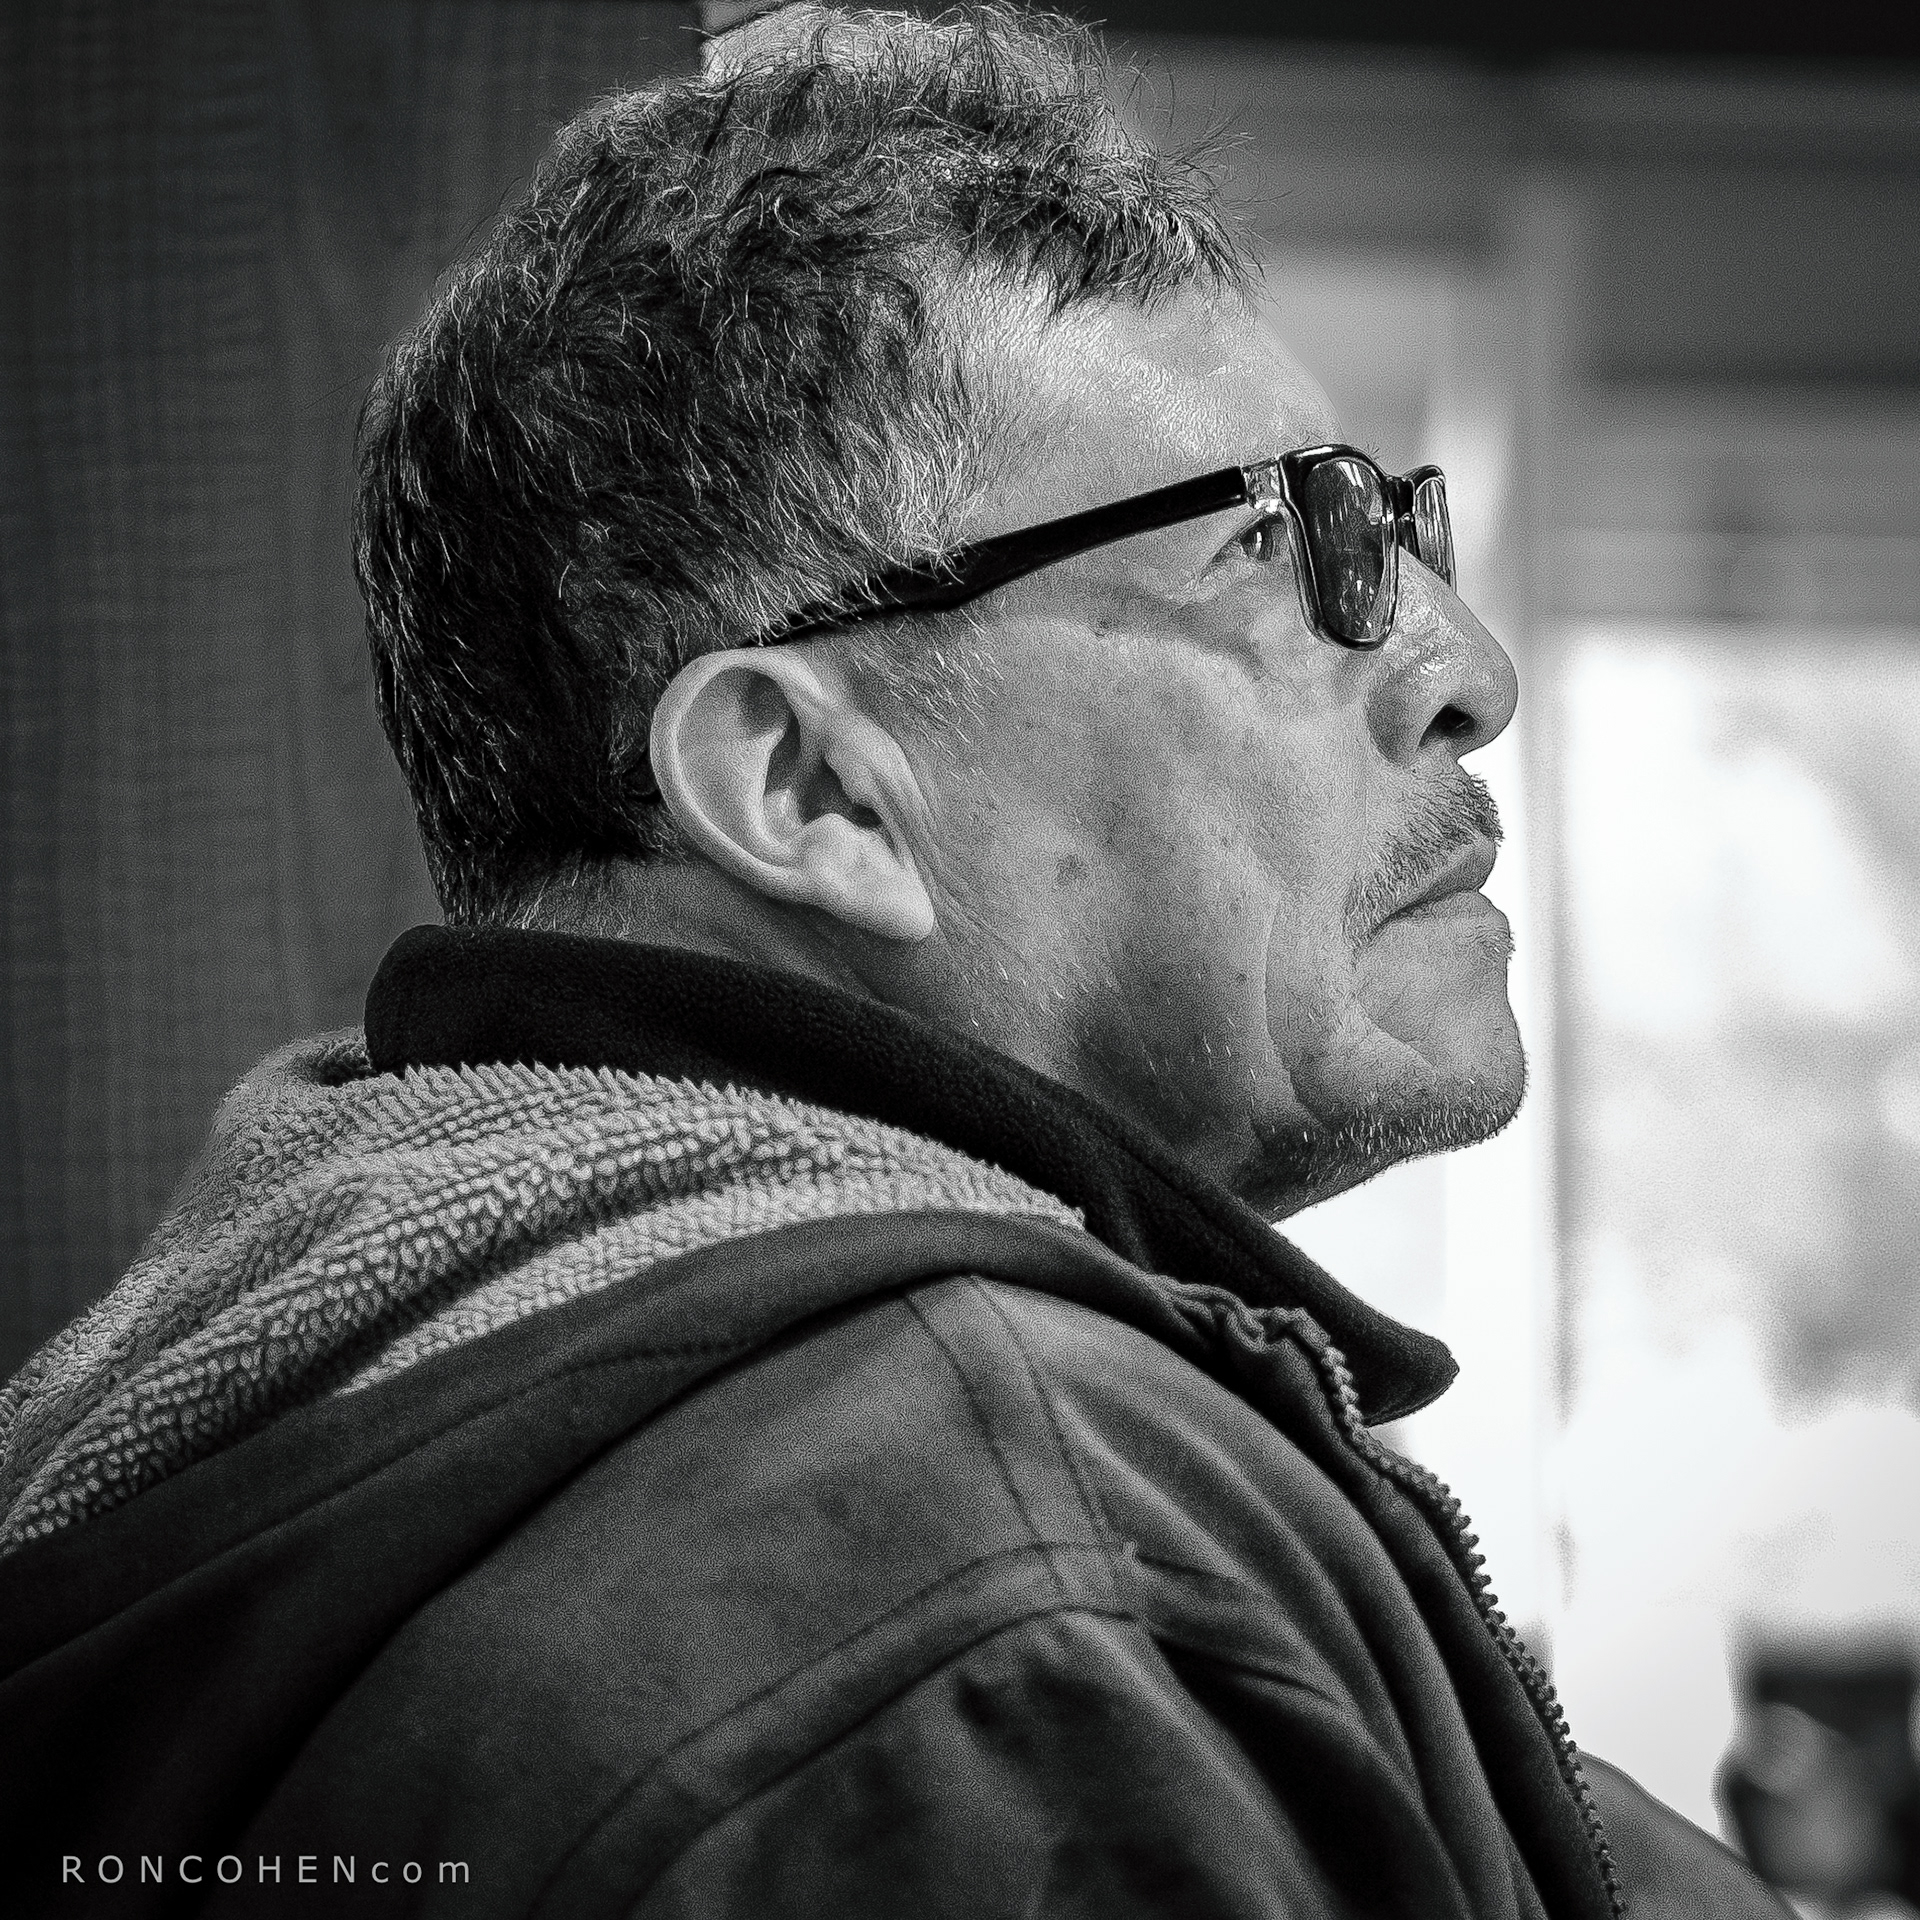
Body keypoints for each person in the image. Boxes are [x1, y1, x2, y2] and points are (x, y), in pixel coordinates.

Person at [0, 6, 1788, 1914]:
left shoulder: (357, 1391)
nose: (1465, 673)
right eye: (1285, 549)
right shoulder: (1006, 1615)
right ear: (808, 788)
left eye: (1398, 526)